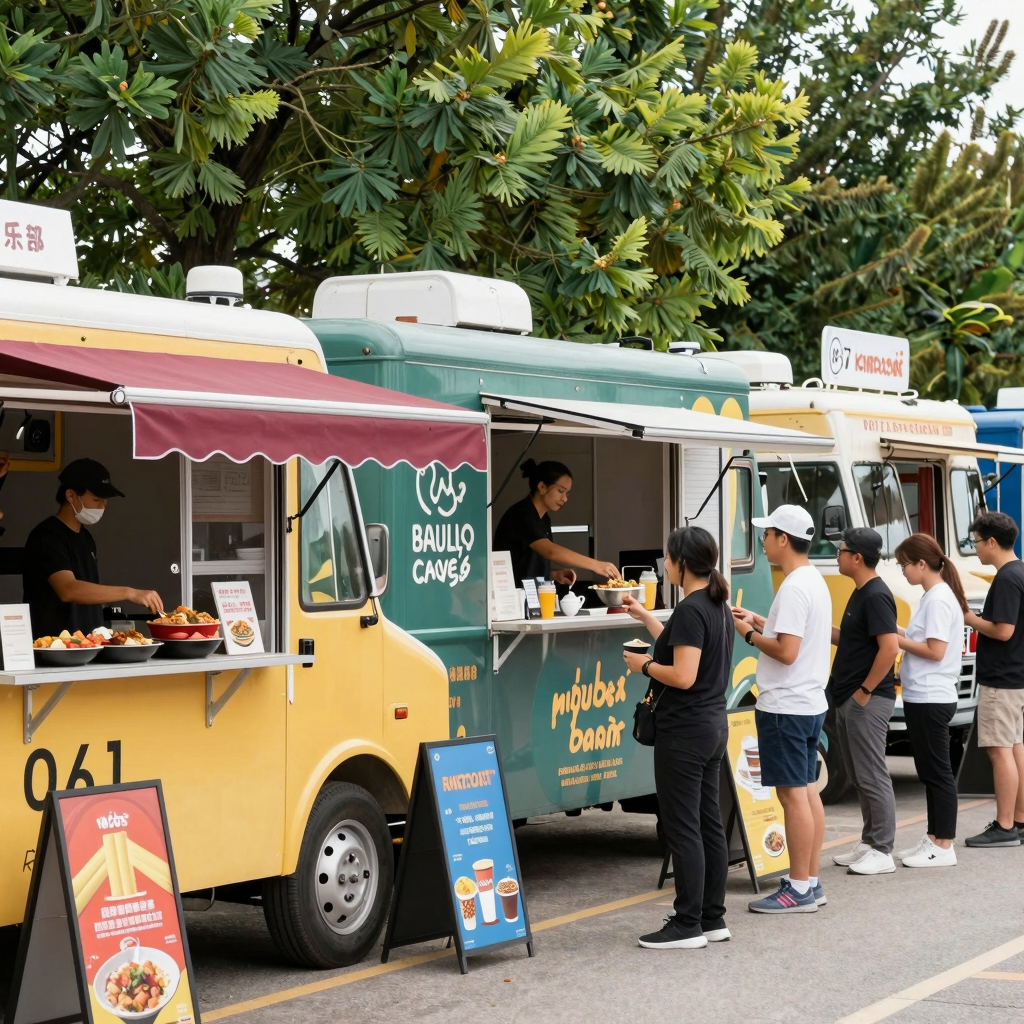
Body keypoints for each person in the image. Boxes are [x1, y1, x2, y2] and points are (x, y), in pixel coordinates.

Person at [622, 526, 732, 949]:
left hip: (684, 732)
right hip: (711, 727)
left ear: (683, 564)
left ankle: (687, 924)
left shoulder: (690, 610)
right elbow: (682, 646)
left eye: (668, 558)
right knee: (708, 824)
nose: (664, 564)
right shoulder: (715, 604)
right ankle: (712, 918)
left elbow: (683, 675)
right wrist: (645, 616)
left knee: (683, 827)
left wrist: (645, 667)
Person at [732, 505, 831, 912]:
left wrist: (747, 633)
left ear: (783, 539)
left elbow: (786, 652)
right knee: (806, 792)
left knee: (792, 798)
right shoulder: (813, 579)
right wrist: (760, 621)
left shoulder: (792, 587)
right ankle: (812, 882)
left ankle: (799, 888)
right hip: (809, 702)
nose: (763, 540)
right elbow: (796, 638)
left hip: (785, 706)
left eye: (767, 533)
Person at [828, 527, 900, 875]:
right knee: (859, 774)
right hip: (851, 697)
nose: (837, 555)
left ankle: (883, 849)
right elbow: (851, 639)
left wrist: (864, 692)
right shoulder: (860, 592)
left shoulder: (875, 595)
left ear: (857, 557)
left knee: (871, 774)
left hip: (867, 700)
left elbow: (890, 648)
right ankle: (870, 841)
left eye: (840, 550)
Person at [23, 458, 164, 637]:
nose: (102, 506)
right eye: (97, 499)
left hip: (89, 642)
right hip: (55, 644)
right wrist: (129, 593)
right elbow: (68, 589)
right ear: (71, 495)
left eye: (105, 500)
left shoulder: (86, 537)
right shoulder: (47, 536)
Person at [893, 533, 967, 867]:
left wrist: (895, 639)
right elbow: (923, 639)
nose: (902, 571)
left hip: (930, 696)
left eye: (904, 565)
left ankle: (944, 844)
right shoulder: (934, 596)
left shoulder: (938, 599)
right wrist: (899, 632)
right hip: (924, 694)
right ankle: (934, 838)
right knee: (930, 771)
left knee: (937, 773)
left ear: (921, 563)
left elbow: (935, 651)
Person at [962, 511, 1024, 848]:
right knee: (1014, 749)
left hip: (1001, 678)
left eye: (976, 542)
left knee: (1000, 752)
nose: (975, 548)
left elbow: (1003, 630)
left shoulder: (1006, 578)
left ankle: (1004, 826)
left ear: (991, 542)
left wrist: (970, 618)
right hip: (1016, 676)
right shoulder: (1020, 571)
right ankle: (1019, 820)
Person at [493, 459, 619, 586]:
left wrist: (553, 574)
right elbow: (550, 551)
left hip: (533, 592)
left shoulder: (544, 518)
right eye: (560, 491)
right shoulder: (521, 514)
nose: (564, 499)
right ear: (542, 487)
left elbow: (527, 561)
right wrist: (596, 565)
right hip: (510, 593)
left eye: (567, 493)